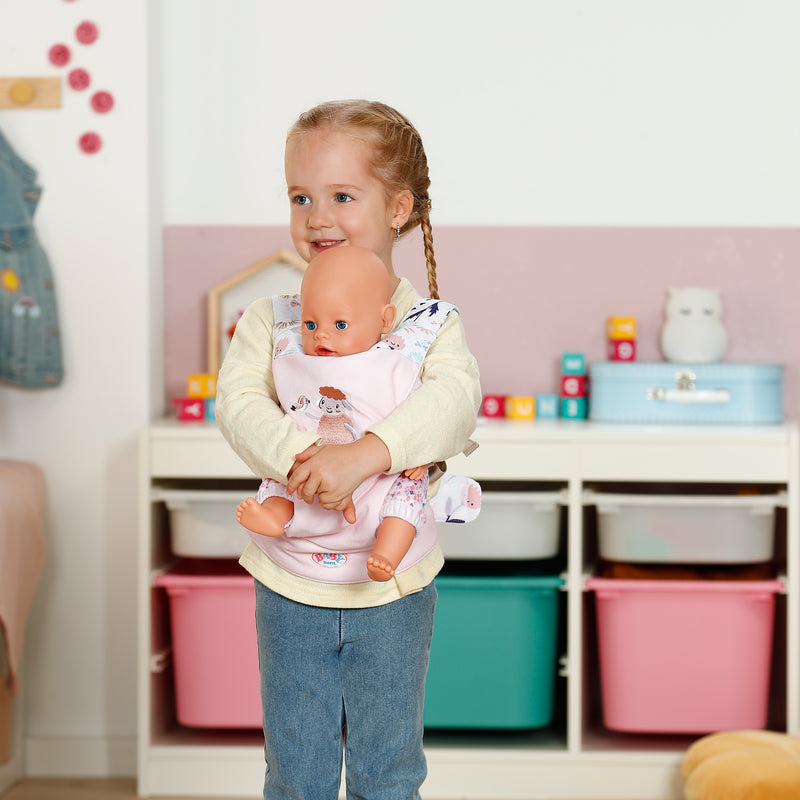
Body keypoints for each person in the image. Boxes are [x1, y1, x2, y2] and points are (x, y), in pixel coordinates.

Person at [215, 99, 481, 800]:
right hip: (290, 583)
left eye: (341, 196)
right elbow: (239, 406)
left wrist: (364, 454)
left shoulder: (429, 327)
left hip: (391, 590)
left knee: (388, 769)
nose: (316, 216)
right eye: (301, 196)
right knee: (295, 769)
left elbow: (451, 406)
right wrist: (309, 458)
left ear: (398, 208)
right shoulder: (269, 321)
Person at [235, 244, 439, 582]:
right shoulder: (295, 359)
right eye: (310, 323)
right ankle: (274, 515)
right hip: (307, 470)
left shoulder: (395, 364)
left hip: (381, 476)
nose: (321, 335)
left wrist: (421, 451)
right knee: (277, 480)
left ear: (385, 320)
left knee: (406, 497)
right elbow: (259, 411)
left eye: (340, 324)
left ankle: (388, 550)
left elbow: (424, 417)